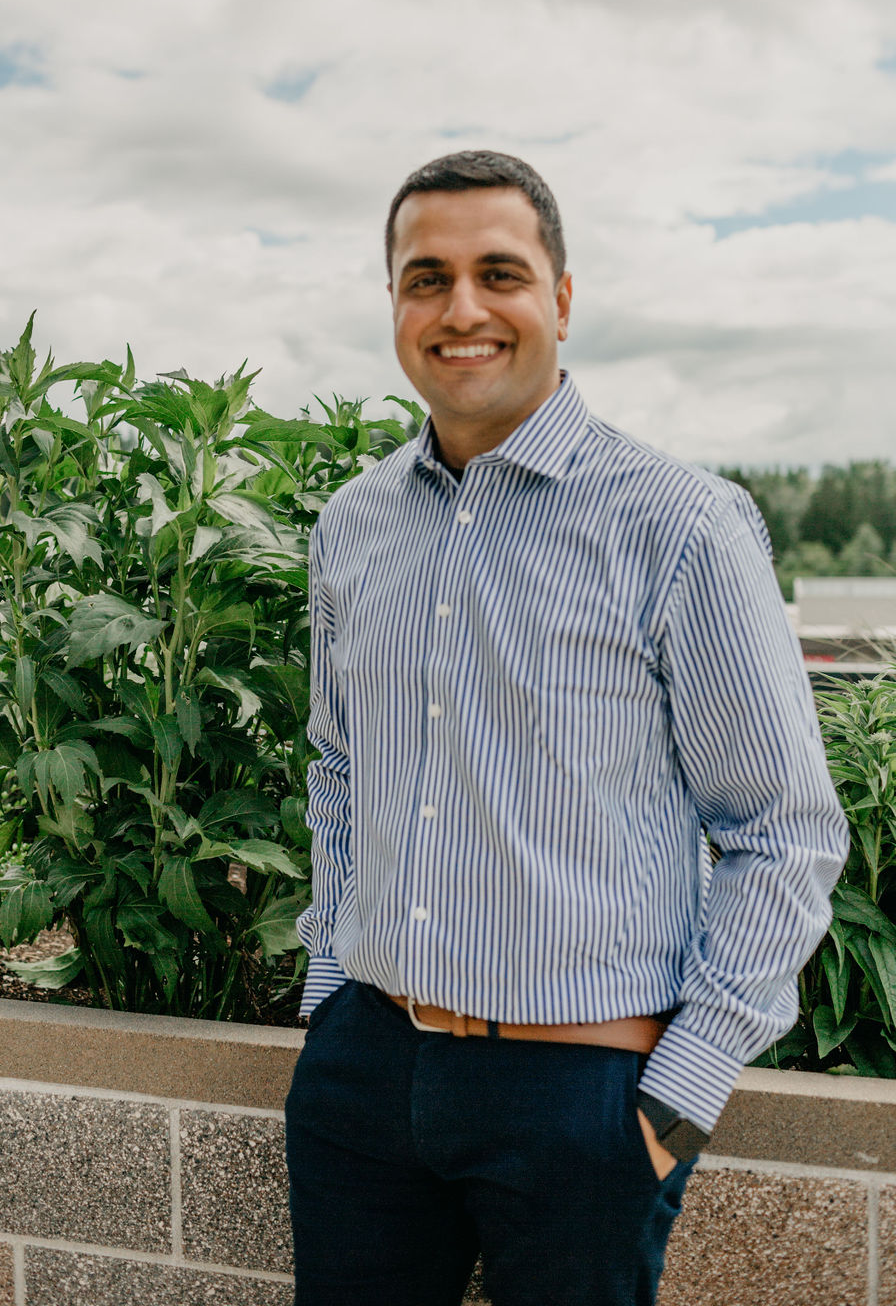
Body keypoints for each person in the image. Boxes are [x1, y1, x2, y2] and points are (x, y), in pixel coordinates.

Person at [285, 149, 849, 1306]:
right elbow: (338, 770)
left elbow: (783, 831)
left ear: (561, 299)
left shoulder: (680, 526)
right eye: (424, 277)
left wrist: (674, 1100)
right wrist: (328, 1004)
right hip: (366, 1072)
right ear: (394, 303)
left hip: (584, 1091)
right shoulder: (352, 525)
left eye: (500, 272)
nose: (463, 309)